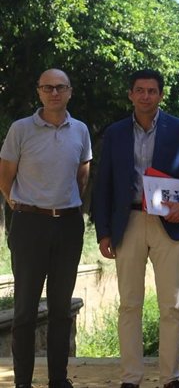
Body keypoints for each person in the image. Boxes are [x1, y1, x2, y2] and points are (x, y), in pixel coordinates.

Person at [92, 69, 179, 388]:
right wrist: (103, 231)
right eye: (140, 90)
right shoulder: (115, 133)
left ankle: (170, 377)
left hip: (167, 222)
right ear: (130, 94)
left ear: (160, 95)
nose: (146, 96)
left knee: (171, 304)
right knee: (129, 303)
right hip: (126, 222)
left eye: (152, 91)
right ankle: (131, 378)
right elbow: (102, 185)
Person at [0, 69, 91, 388]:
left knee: (61, 308)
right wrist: (17, 205)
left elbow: (83, 173)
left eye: (60, 87)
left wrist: (66, 204)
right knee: (24, 309)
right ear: (39, 92)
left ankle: (58, 379)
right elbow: (5, 174)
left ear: (69, 91)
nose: (54, 92)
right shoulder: (20, 129)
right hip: (29, 224)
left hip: (67, 224)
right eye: (48, 87)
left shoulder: (80, 130)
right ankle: (22, 381)